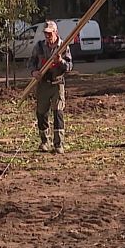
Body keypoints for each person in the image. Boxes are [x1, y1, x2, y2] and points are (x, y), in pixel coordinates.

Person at [27, 20, 73, 154]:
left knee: (58, 111)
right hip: (43, 84)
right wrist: (33, 72)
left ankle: (58, 144)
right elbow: (31, 62)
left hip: (57, 84)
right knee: (41, 113)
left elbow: (70, 66)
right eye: (45, 33)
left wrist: (61, 61)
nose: (47, 36)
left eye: (50, 33)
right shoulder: (40, 47)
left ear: (55, 32)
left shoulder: (63, 46)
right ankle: (44, 142)